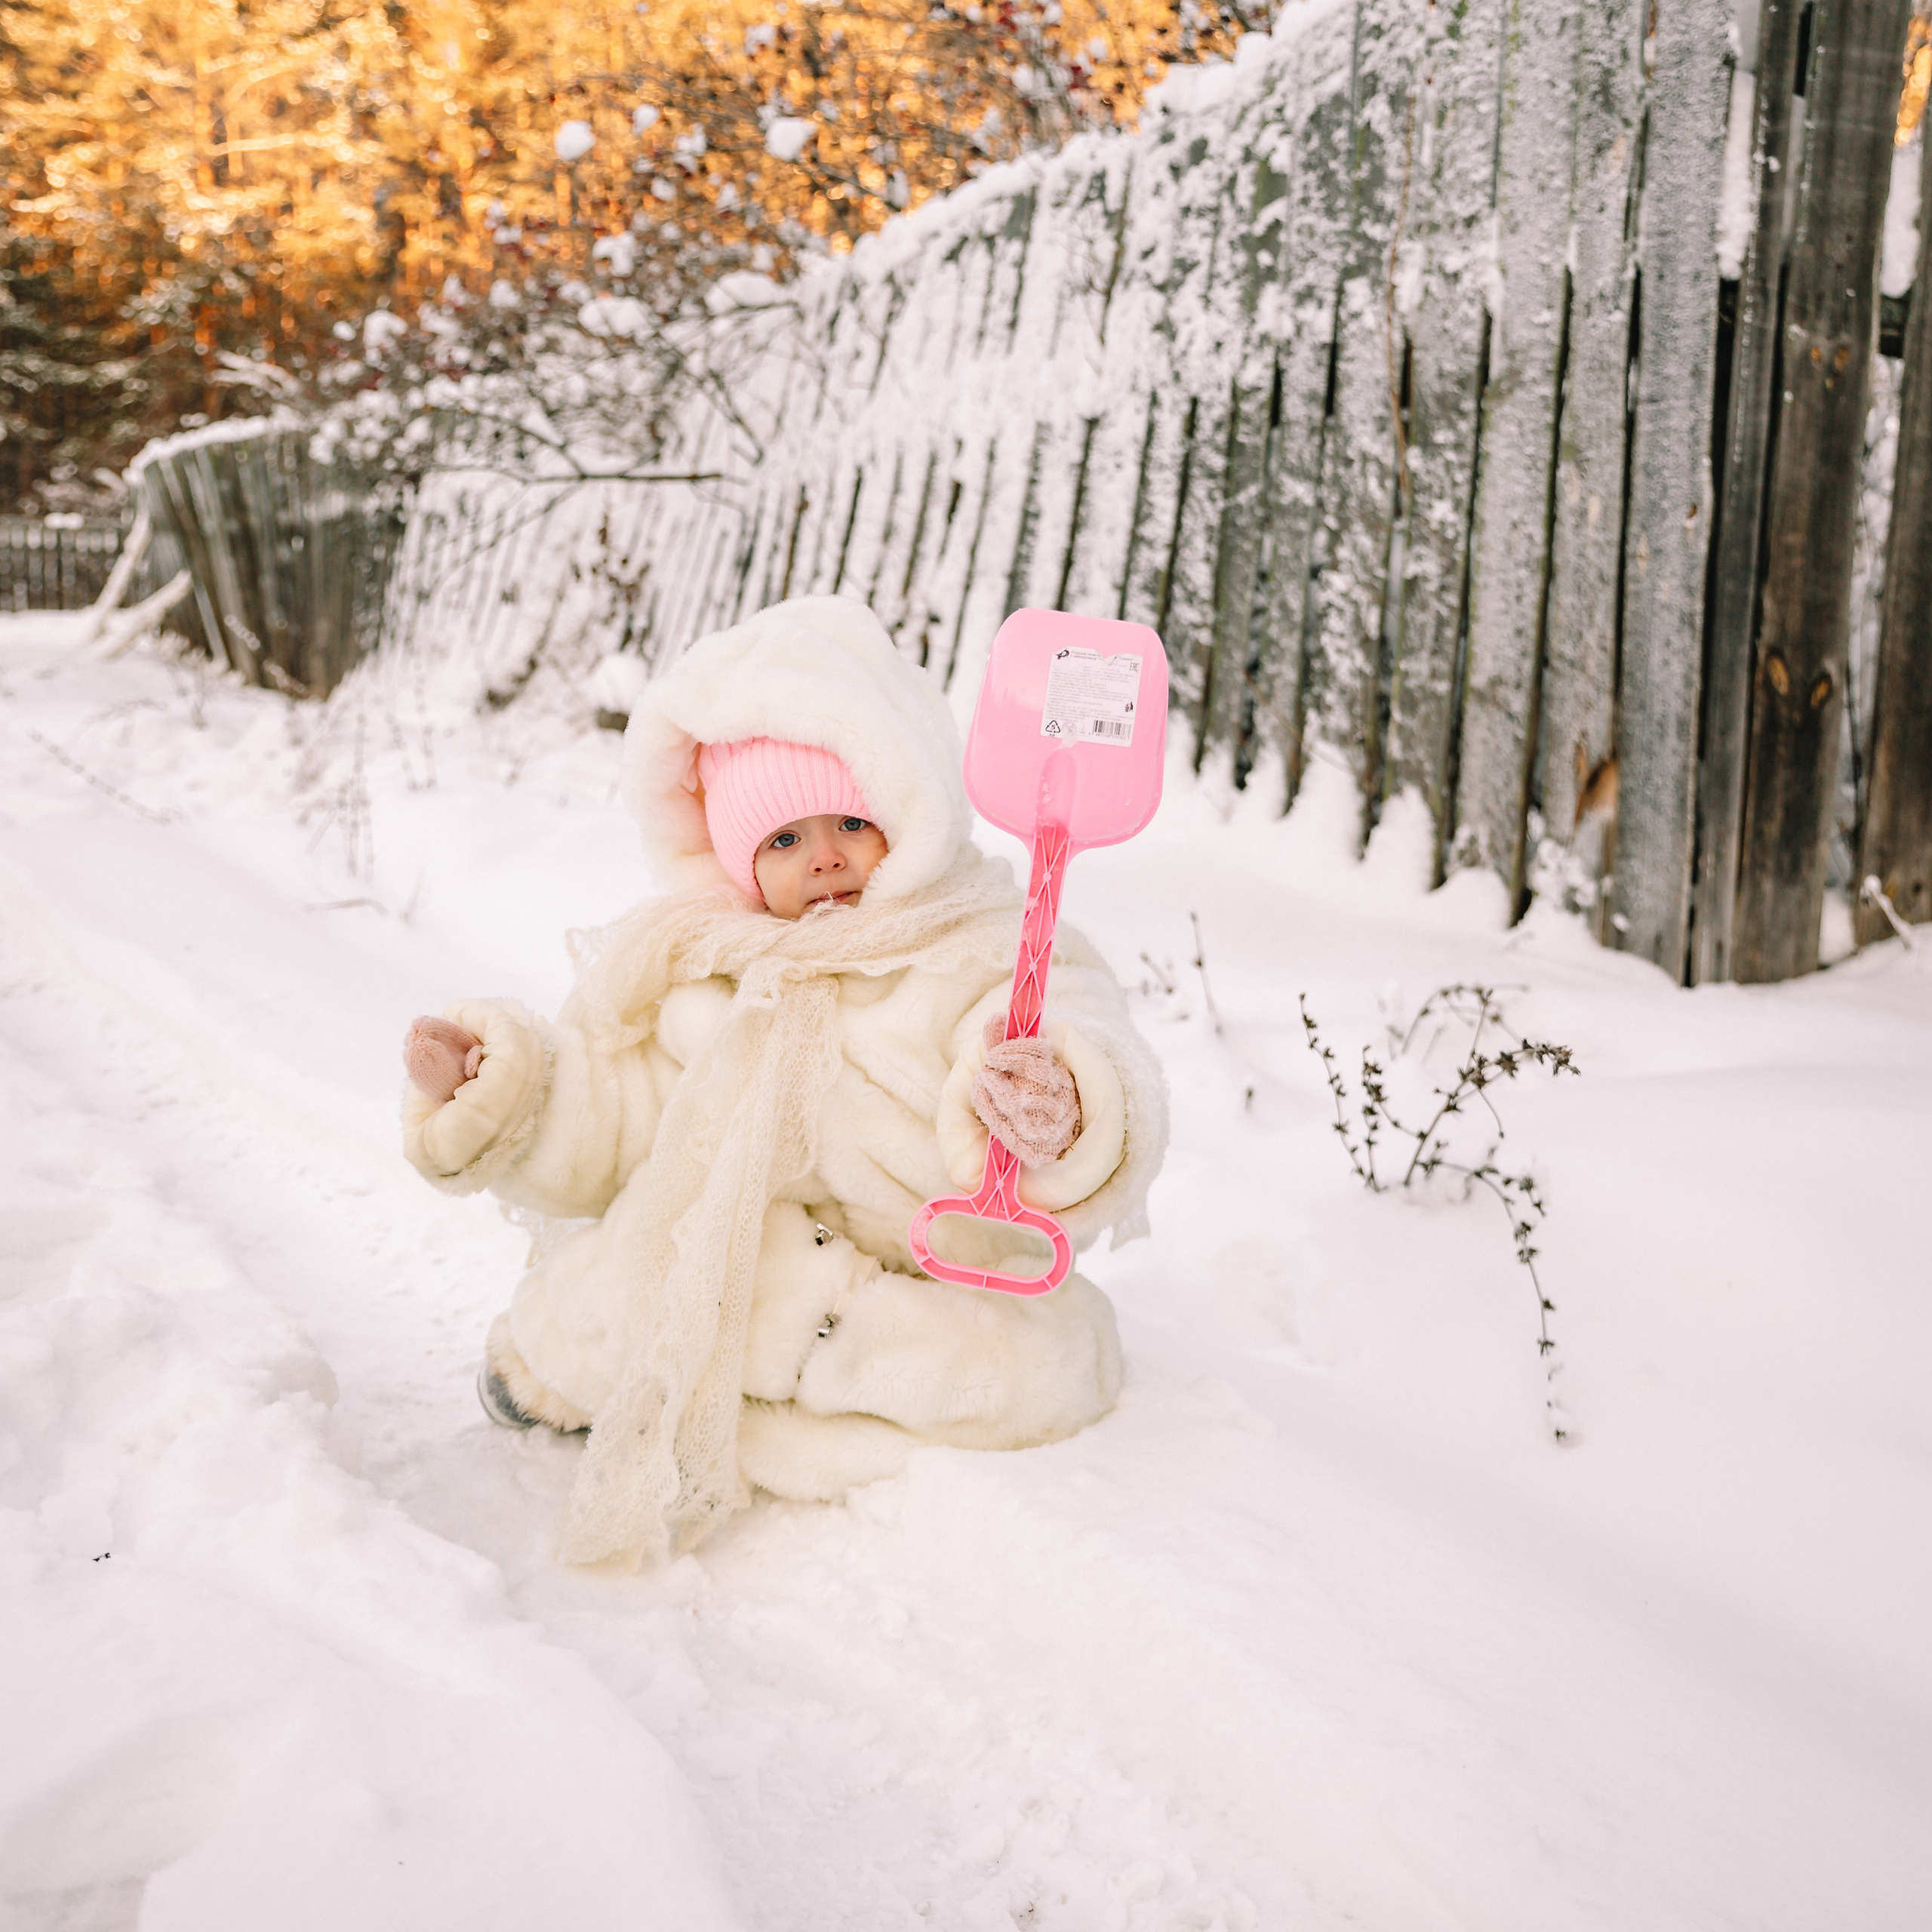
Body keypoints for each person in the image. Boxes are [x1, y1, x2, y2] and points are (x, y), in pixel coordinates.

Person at [399, 595, 1166, 1566]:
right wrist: (504, 1094)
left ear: (908, 816)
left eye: (851, 820)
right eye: (784, 840)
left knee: (1034, 1369)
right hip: (745, 1259)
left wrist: (1067, 1104)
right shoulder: (704, 971)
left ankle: (705, 1376)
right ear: (738, 859)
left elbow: (1087, 1029)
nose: (826, 857)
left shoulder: (985, 947)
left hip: (941, 1277)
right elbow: (622, 1120)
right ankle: (560, 1364)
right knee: (673, 1248)